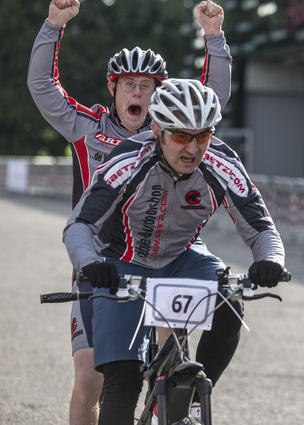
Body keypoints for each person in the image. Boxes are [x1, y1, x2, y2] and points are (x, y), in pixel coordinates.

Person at [27, 0, 232, 425]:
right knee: (89, 378)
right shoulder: (88, 129)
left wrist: (214, 37)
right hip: (103, 261)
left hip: (165, 254)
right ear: (113, 89)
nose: (137, 93)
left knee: (173, 357)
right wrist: (53, 26)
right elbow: (43, 87)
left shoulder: (173, 134)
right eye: (128, 85)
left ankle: (171, 408)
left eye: (147, 87)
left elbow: (211, 98)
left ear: (161, 95)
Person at [63, 78, 286, 425]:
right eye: (182, 136)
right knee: (122, 383)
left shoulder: (221, 162)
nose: (193, 149)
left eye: (203, 136)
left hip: (182, 257)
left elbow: (261, 229)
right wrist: (90, 263)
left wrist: (270, 260)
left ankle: (193, 397)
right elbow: (79, 225)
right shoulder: (128, 161)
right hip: (121, 261)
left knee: (230, 301)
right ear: (157, 130)